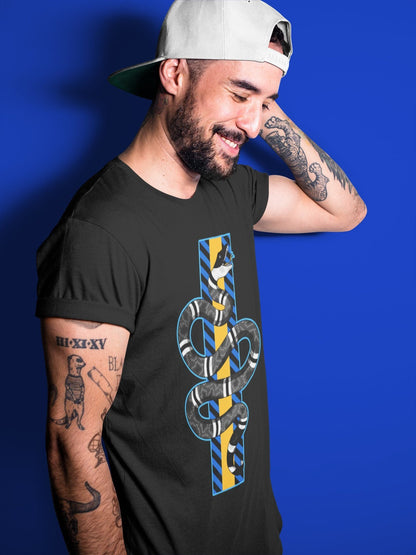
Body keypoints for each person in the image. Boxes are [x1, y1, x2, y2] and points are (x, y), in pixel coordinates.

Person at [36, 0, 366, 553]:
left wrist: (258, 103)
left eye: (267, 103)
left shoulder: (229, 189)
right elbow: (74, 445)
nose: (253, 125)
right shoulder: (100, 232)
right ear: (174, 74)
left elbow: (346, 211)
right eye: (238, 94)